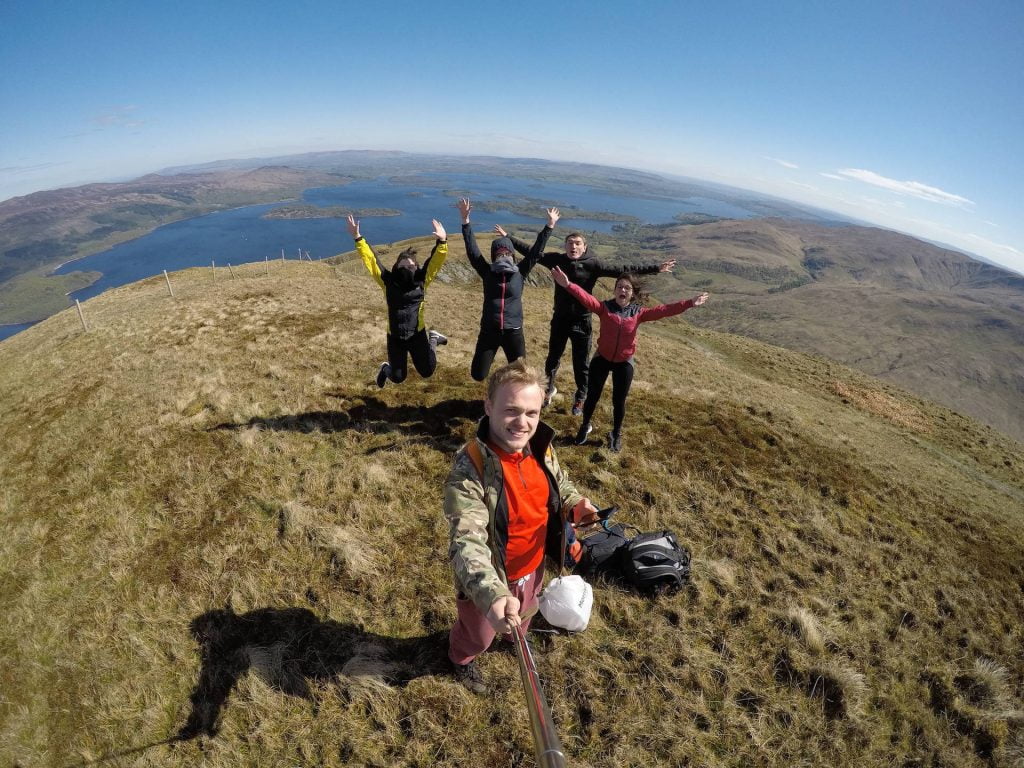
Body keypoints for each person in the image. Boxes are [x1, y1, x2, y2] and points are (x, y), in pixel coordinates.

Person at [444, 359, 599, 693]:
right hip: (489, 578)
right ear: (488, 406)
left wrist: (575, 504)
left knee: (526, 613)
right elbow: (466, 542)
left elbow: (560, 483)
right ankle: (460, 658)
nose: (523, 423)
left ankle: (517, 634)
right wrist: (492, 594)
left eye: (532, 413)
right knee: (479, 635)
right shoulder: (470, 468)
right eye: (511, 410)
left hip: (534, 566)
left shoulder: (539, 446)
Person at [495, 227, 676, 413]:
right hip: (560, 319)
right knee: (552, 359)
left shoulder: (593, 264)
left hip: (582, 321)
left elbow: (623, 270)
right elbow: (532, 252)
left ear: (584, 247)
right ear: (565, 246)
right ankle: (548, 390)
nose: (573, 246)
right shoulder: (557, 260)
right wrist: (508, 237)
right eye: (570, 243)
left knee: (581, 364)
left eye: (577, 243)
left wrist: (655, 269)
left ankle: (580, 396)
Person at [551, 267, 708, 453]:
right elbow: (586, 298)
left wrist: (689, 303)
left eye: (627, 288)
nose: (622, 290)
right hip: (602, 358)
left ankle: (616, 434)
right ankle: (585, 425)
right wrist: (568, 285)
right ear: (614, 290)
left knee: (619, 401)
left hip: (624, 363)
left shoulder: (638, 313)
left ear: (632, 293)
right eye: (619, 287)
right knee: (592, 396)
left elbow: (664, 310)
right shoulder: (604, 308)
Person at [458, 198, 556, 381]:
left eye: (507, 253)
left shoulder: (520, 272)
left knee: (521, 375)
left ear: (512, 255)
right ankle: (499, 385)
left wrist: (549, 227)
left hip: (514, 332)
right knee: (478, 374)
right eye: (499, 253)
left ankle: (507, 397)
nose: (503, 256)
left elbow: (536, 252)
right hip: (489, 331)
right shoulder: (487, 272)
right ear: (493, 256)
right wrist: (466, 222)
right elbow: (472, 251)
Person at [347, 214, 449, 387]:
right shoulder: (388, 281)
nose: (407, 269)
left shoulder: (422, 281)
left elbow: (435, 262)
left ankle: (433, 339)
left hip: (417, 335)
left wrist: (442, 242)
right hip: (394, 337)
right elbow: (372, 261)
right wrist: (358, 238)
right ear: (396, 267)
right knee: (397, 377)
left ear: (416, 268)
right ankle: (385, 369)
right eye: (403, 266)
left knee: (427, 371)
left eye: (410, 266)